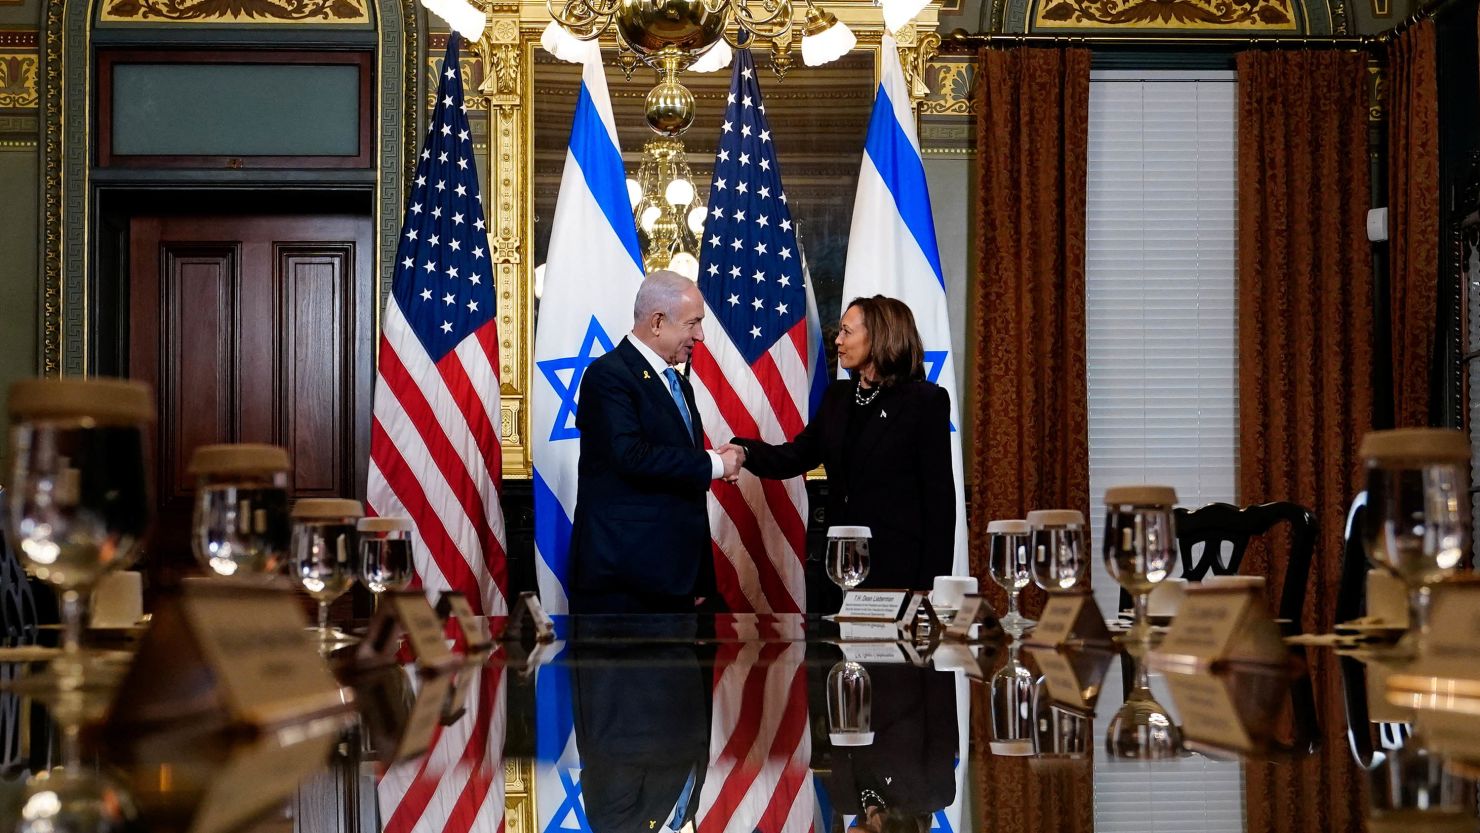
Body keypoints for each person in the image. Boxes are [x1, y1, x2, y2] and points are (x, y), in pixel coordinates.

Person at [727, 295, 954, 591]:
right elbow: (797, 455)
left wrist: (931, 587)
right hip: (838, 566)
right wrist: (745, 452)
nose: (838, 340)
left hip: (897, 570)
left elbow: (940, 505)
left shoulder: (924, 402)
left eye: (847, 331)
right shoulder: (838, 397)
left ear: (878, 336)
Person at [568, 270, 742, 614]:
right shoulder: (608, 376)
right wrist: (716, 464)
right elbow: (631, 456)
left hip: (675, 580)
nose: (701, 336)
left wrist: (699, 578)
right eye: (693, 323)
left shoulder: (679, 383)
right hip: (624, 583)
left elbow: (682, 484)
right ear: (658, 322)